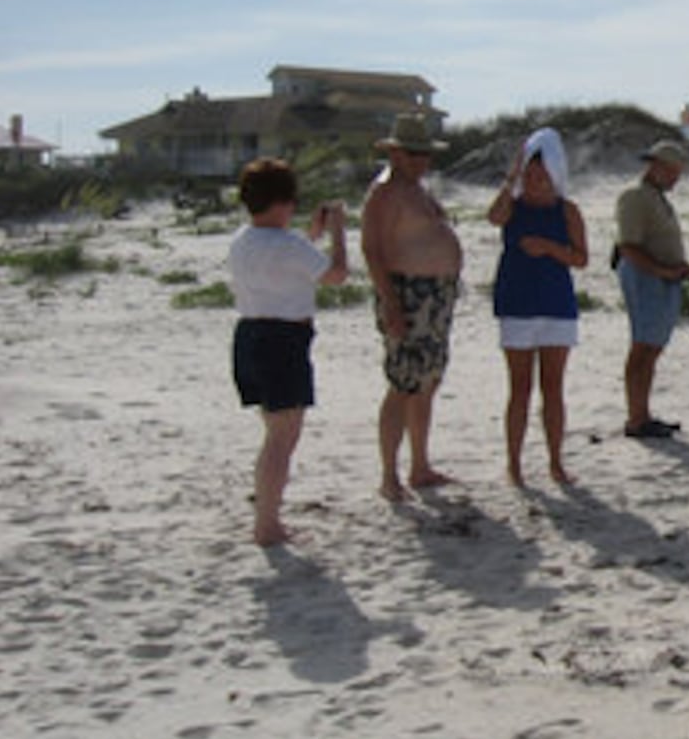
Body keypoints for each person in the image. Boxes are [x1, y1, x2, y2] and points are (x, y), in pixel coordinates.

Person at [228, 158, 348, 545]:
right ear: (282, 201)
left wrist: (311, 234)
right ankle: (267, 523)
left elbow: (283, 259)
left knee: (274, 433)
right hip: (283, 340)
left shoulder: (242, 240)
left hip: (250, 334)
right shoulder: (288, 244)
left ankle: (266, 515)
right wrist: (338, 234)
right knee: (283, 438)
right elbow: (336, 274)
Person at [362, 113, 463, 500]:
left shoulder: (418, 189)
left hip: (436, 295)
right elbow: (373, 250)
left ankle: (420, 465)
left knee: (427, 382)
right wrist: (390, 304)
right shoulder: (385, 192)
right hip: (408, 294)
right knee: (403, 383)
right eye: (415, 154)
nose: (422, 161)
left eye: (425, 154)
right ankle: (390, 475)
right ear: (396, 153)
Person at [488, 127, 588, 486]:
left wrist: (548, 248)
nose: (534, 182)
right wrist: (511, 179)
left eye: (541, 175)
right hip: (517, 303)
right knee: (519, 388)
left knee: (553, 387)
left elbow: (581, 258)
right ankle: (514, 464)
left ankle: (555, 462)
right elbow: (494, 217)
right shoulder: (513, 207)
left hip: (555, 304)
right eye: (529, 175)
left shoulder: (568, 211)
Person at [613, 139, 689, 439]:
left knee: (652, 347)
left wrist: (679, 269)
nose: (676, 178)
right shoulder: (635, 197)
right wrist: (664, 270)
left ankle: (642, 414)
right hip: (646, 278)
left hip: (663, 279)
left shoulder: (656, 198)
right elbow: (628, 247)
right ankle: (636, 417)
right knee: (642, 347)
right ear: (657, 167)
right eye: (673, 171)